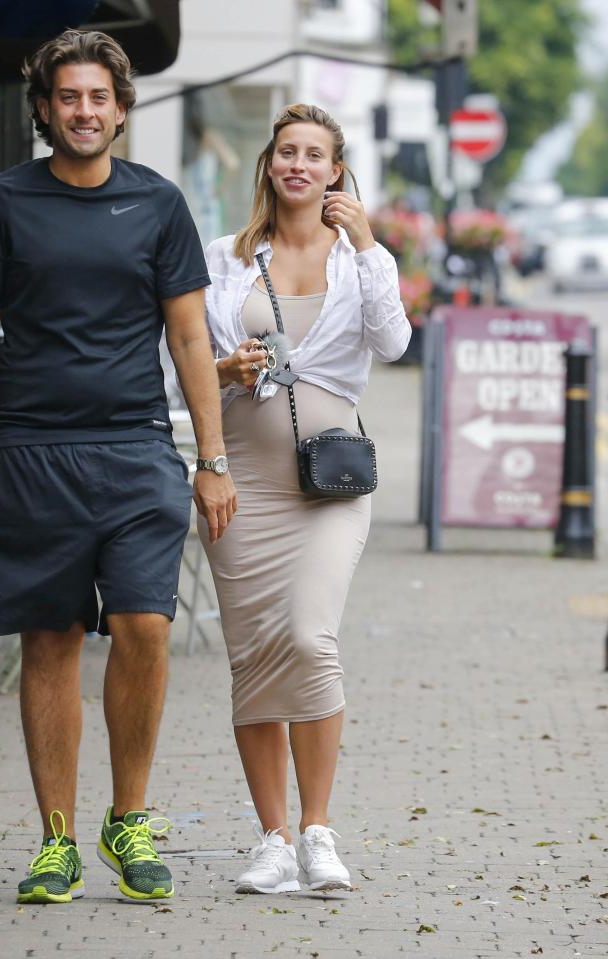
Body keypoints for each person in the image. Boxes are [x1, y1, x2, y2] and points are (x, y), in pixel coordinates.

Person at [0, 30, 236, 905]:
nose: (84, 111)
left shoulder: (158, 203)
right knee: (52, 637)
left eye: (98, 98)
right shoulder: (1, 201)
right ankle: (57, 838)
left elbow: (190, 335)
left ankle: (130, 818)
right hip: (30, 448)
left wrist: (210, 457)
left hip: (138, 445)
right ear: (44, 108)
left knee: (146, 626)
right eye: (68, 97)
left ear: (120, 107)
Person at [200, 104, 411, 894]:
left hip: (329, 483)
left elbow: (394, 343)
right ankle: (273, 840)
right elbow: (179, 362)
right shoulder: (226, 257)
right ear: (269, 164)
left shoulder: (361, 260)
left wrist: (366, 242)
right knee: (253, 654)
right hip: (238, 480)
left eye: (313, 154)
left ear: (335, 172)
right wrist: (226, 368)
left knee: (307, 635)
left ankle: (318, 830)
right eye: (286, 151)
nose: (297, 164)